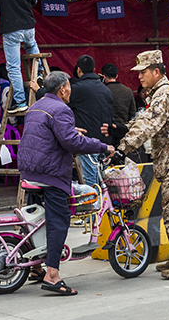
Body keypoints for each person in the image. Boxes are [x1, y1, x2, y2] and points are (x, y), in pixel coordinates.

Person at [17, 71, 113, 296]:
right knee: (58, 221)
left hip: (30, 171)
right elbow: (71, 141)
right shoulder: (61, 109)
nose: (71, 91)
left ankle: (35, 267)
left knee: (36, 221)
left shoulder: (36, 106)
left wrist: (72, 133)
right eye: (69, 87)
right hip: (49, 173)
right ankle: (52, 275)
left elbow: (49, 135)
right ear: (62, 89)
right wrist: (102, 146)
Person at [113, 50, 169, 280]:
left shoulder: (165, 94)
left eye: (143, 72)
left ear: (156, 71)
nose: (140, 76)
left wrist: (123, 147)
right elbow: (145, 119)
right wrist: (126, 128)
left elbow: (150, 124)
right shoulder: (160, 93)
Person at [69, 56, 113, 194]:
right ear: (94, 69)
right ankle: (104, 213)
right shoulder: (105, 89)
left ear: (78, 70)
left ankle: (93, 215)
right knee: (103, 184)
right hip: (105, 142)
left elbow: (57, 99)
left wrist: (39, 90)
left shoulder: (76, 89)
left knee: (90, 185)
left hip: (88, 143)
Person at [100, 63, 136, 139]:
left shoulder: (102, 91)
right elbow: (133, 113)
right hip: (123, 130)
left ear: (103, 76)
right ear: (117, 76)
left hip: (106, 130)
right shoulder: (128, 91)